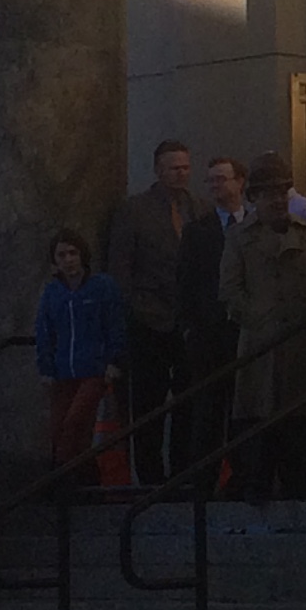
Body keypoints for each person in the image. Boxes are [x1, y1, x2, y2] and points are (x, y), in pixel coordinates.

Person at [223, 151, 306, 498]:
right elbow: (230, 290)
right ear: (254, 198)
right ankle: (257, 482)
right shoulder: (239, 238)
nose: (276, 200)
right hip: (262, 346)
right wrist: (258, 320)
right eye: (268, 193)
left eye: (281, 192)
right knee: (260, 418)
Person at [105, 139, 199, 481]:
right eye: (174, 168)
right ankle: (150, 479)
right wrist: (135, 309)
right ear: (159, 170)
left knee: (190, 403)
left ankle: (183, 473)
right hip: (148, 320)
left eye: (185, 167)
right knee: (148, 406)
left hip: (187, 322)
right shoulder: (134, 210)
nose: (181, 174)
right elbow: (120, 268)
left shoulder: (198, 208)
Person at [177, 153, 252, 482]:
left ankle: (244, 476)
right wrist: (189, 328)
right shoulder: (197, 231)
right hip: (209, 336)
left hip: (248, 332)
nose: (214, 185)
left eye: (221, 178)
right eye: (210, 180)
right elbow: (185, 282)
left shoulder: (255, 227)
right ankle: (203, 482)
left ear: (240, 182)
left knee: (246, 408)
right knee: (207, 411)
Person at [33, 229, 126, 478]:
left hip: (93, 369)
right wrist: (46, 367)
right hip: (63, 370)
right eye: (61, 255)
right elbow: (44, 330)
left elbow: (115, 324)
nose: (68, 260)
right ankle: (83, 476)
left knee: (76, 420)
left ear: (82, 254)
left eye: (72, 253)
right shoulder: (53, 292)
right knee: (58, 427)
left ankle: (61, 476)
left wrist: (113, 360)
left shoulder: (102, 286)